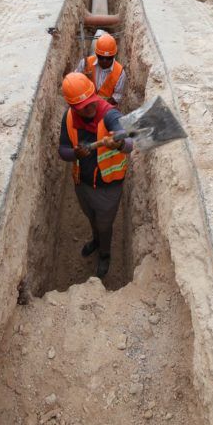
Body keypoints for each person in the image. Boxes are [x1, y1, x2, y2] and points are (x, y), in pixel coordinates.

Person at [58, 72, 133, 278]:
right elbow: (62, 149)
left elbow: (129, 144)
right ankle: (96, 240)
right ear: (73, 107)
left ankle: (105, 254)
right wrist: (74, 153)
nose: (91, 109)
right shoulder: (69, 117)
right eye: (84, 107)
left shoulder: (110, 114)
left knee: (104, 223)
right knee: (92, 218)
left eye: (92, 103)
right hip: (82, 184)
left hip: (108, 187)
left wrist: (118, 142)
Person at [76, 33, 126, 105]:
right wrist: (83, 79)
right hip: (85, 104)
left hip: (105, 107)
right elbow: (75, 82)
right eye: (101, 57)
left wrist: (102, 106)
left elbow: (117, 96)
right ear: (96, 53)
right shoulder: (85, 63)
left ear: (114, 55)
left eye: (108, 58)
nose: (104, 61)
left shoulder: (120, 73)